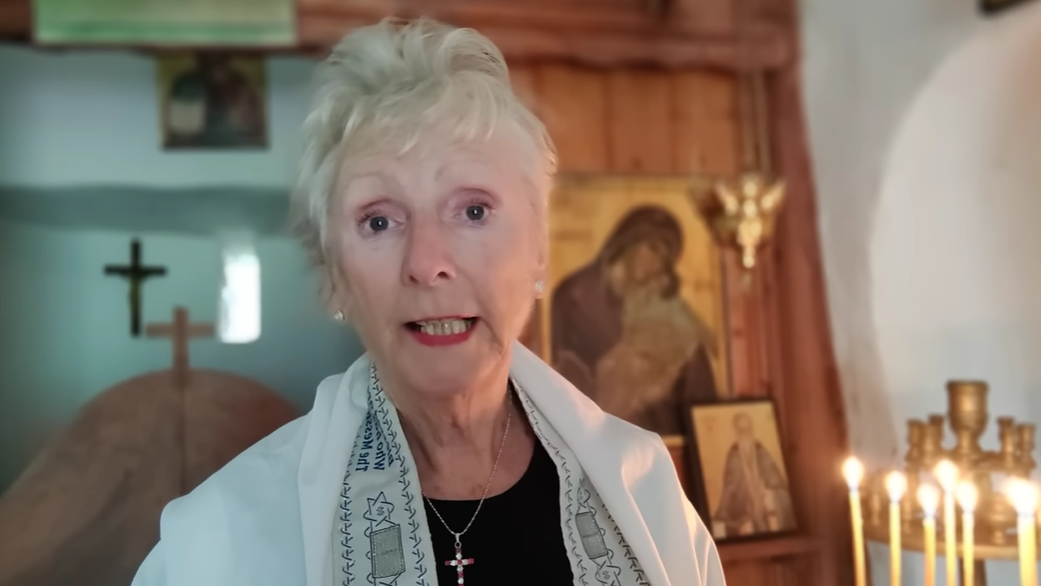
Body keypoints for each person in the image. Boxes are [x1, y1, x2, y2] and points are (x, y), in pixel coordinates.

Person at [132, 17, 725, 586]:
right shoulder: (219, 544)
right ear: (334, 276)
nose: (426, 262)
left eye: (473, 210)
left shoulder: (645, 493)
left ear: (539, 251)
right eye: (379, 220)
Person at [552, 206, 718, 435]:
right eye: (652, 249)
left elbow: (695, 368)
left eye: (665, 259)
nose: (656, 263)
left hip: (655, 430)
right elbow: (567, 369)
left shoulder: (660, 304)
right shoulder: (577, 295)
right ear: (628, 242)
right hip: (593, 427)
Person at [712, 413, 795, 538]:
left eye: (748, 429)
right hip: (745, 514)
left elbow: (776, 481)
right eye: (741, 430)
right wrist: (726, 514)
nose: (745, 434)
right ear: (736, 432)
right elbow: (730, 489)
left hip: (766, 510)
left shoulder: (760, 450)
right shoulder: (734, 455)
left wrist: (771, 494)